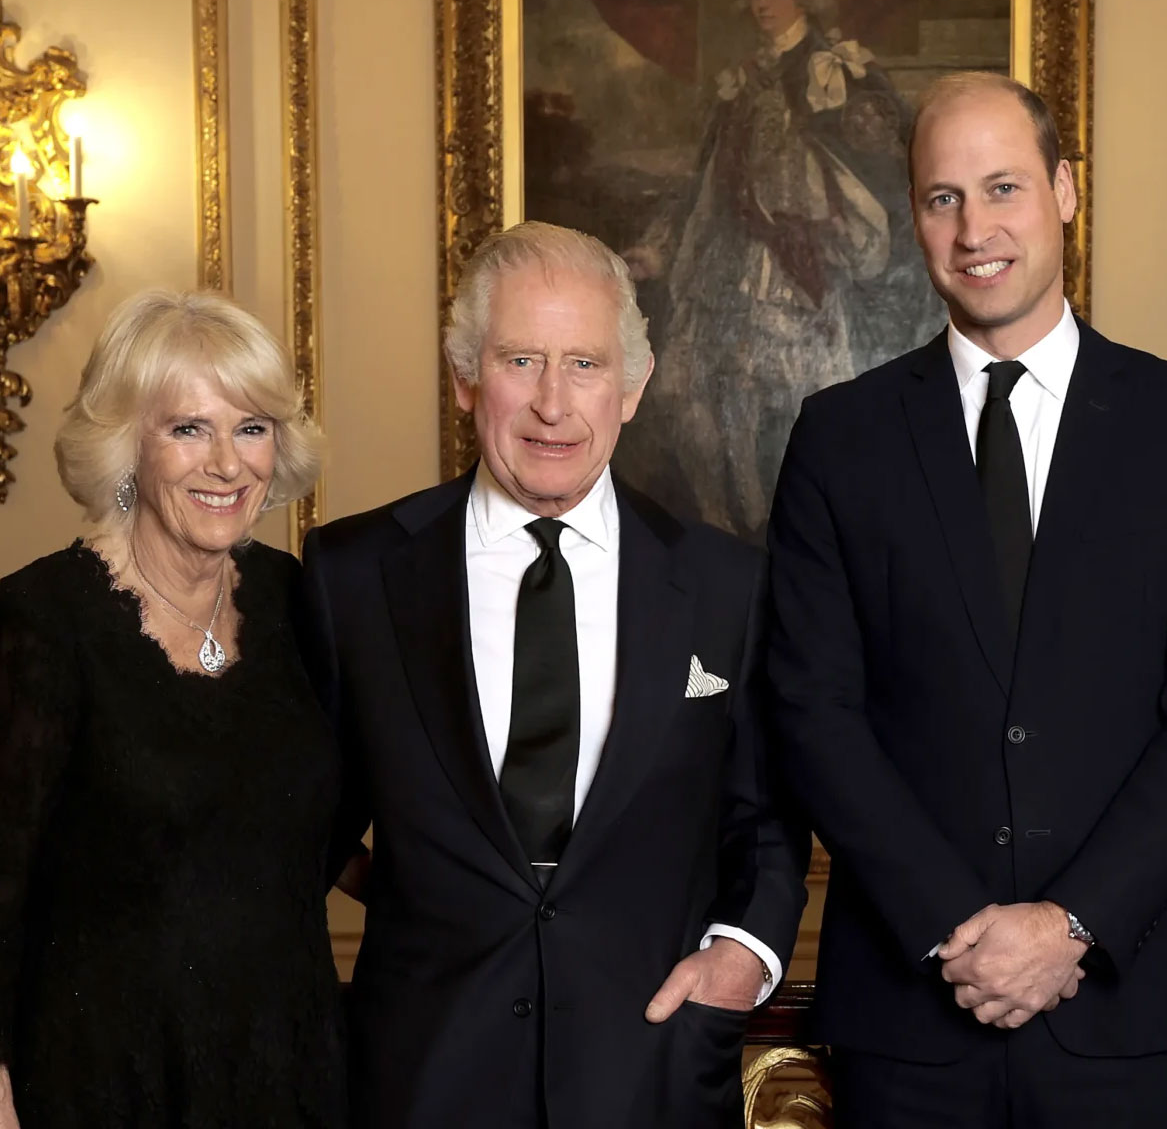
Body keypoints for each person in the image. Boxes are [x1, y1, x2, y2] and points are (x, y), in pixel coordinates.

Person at [766, 70, 1167, 1128]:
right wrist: (959, 928)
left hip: (1121, 1001)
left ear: (1065, 191)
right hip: (911, 1005)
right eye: (943, 197)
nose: (973, 227)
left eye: (1003, 188)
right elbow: (813, 713)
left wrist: (1071, 925)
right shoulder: (839, 437)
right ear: (913, 217)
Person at [299, 221, 808, 1128]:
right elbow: (296, 815)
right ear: (464, 378)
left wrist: (742, 959)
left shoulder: (726, 584)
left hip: (651, 1064)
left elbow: (764, 819)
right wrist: (417, 893)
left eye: (584, 365)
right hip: (423, 1073)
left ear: (633, 387)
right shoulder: (355, 574)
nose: (552, 405)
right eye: (521, 360)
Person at [0, 291, 343, 1128]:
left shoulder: (299, 602)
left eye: (252, 427)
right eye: (189, 428)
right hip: (99, 1078)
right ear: (125, 447)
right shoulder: (36, 624)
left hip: (290, 1067)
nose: (227, 464)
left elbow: (325, 816)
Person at [624, 0, 941, 540]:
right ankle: (733, 529)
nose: (763, 4)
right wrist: (661, 247)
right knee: (707, 390)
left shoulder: (838, 71)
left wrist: (831, 209)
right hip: (730, 258)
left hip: (806, 264)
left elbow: (889, 167)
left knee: (807, 401)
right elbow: (706, 180)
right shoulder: (740, 82)